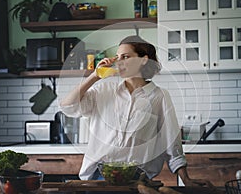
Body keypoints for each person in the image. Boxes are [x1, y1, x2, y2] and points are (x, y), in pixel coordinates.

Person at [60, 35, 213, 189]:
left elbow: (172, 142)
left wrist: (186, 179)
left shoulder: (159, 96)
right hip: (98, 175)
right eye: (118, 57)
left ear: (143, 60)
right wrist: (94, 76)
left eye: (126, 57)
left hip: (137, 179)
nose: (119, 62)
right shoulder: (103, 90)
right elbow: (68, 107)